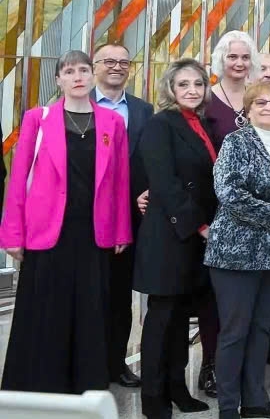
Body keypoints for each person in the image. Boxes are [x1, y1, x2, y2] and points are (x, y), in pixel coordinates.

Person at [0, 50, 132, 395]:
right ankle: (39, 385)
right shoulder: (37, 119)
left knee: (90, 309)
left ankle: (85, 385)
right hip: (46, 231)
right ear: (58, 79)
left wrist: (122, 230)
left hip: (93, 232)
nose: (77, 76)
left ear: (92, 77)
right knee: (45, 310)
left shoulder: (112, 123)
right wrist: (12, 234)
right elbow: (18, 180)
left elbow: (120, 180)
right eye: (69, 71)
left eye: (84, 70)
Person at [205, 81, 270, 419]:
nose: (268, 107)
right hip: (236, 254)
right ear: (247, 110)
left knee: (262, 329)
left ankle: (255, 401)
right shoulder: (237, 142)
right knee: (235, 332)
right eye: (260, 103)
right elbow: (230, 193)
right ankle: (229, 406)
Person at [135, 58, 222, 418]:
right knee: (161, 322)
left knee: (180, 320)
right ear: (170, 89)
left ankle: (178, 390)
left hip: (194, 239)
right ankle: (154, 401)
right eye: (183, 84)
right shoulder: (160, 124)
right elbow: (165, 184)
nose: (191, 90)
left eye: (198, 84)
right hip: (170, 236)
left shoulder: (200, 124)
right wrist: (199, 226)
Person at [93, 42, 155, 389]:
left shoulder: (144, 111)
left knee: (119, 297)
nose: (117, 67)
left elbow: (150, 161)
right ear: (95, 66)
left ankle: (116, 363)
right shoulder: (76, 106)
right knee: (87, 293)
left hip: (131, 218)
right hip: (86, 221)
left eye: (124, 62)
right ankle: (85, 363)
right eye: (109, 61)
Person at [208, 30, 260, 138]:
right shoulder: (205, 99)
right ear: (221, 59)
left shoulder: (259, 98)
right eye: (233, 57)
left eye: (245, 57)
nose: (239, 63)